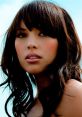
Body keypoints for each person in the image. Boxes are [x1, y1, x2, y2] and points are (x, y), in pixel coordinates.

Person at [0, 0, 82, 117]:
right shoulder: (30, 107)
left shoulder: (75, 94)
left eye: (43, 33)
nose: (31, 44)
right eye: (21, 35)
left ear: (63, 42)